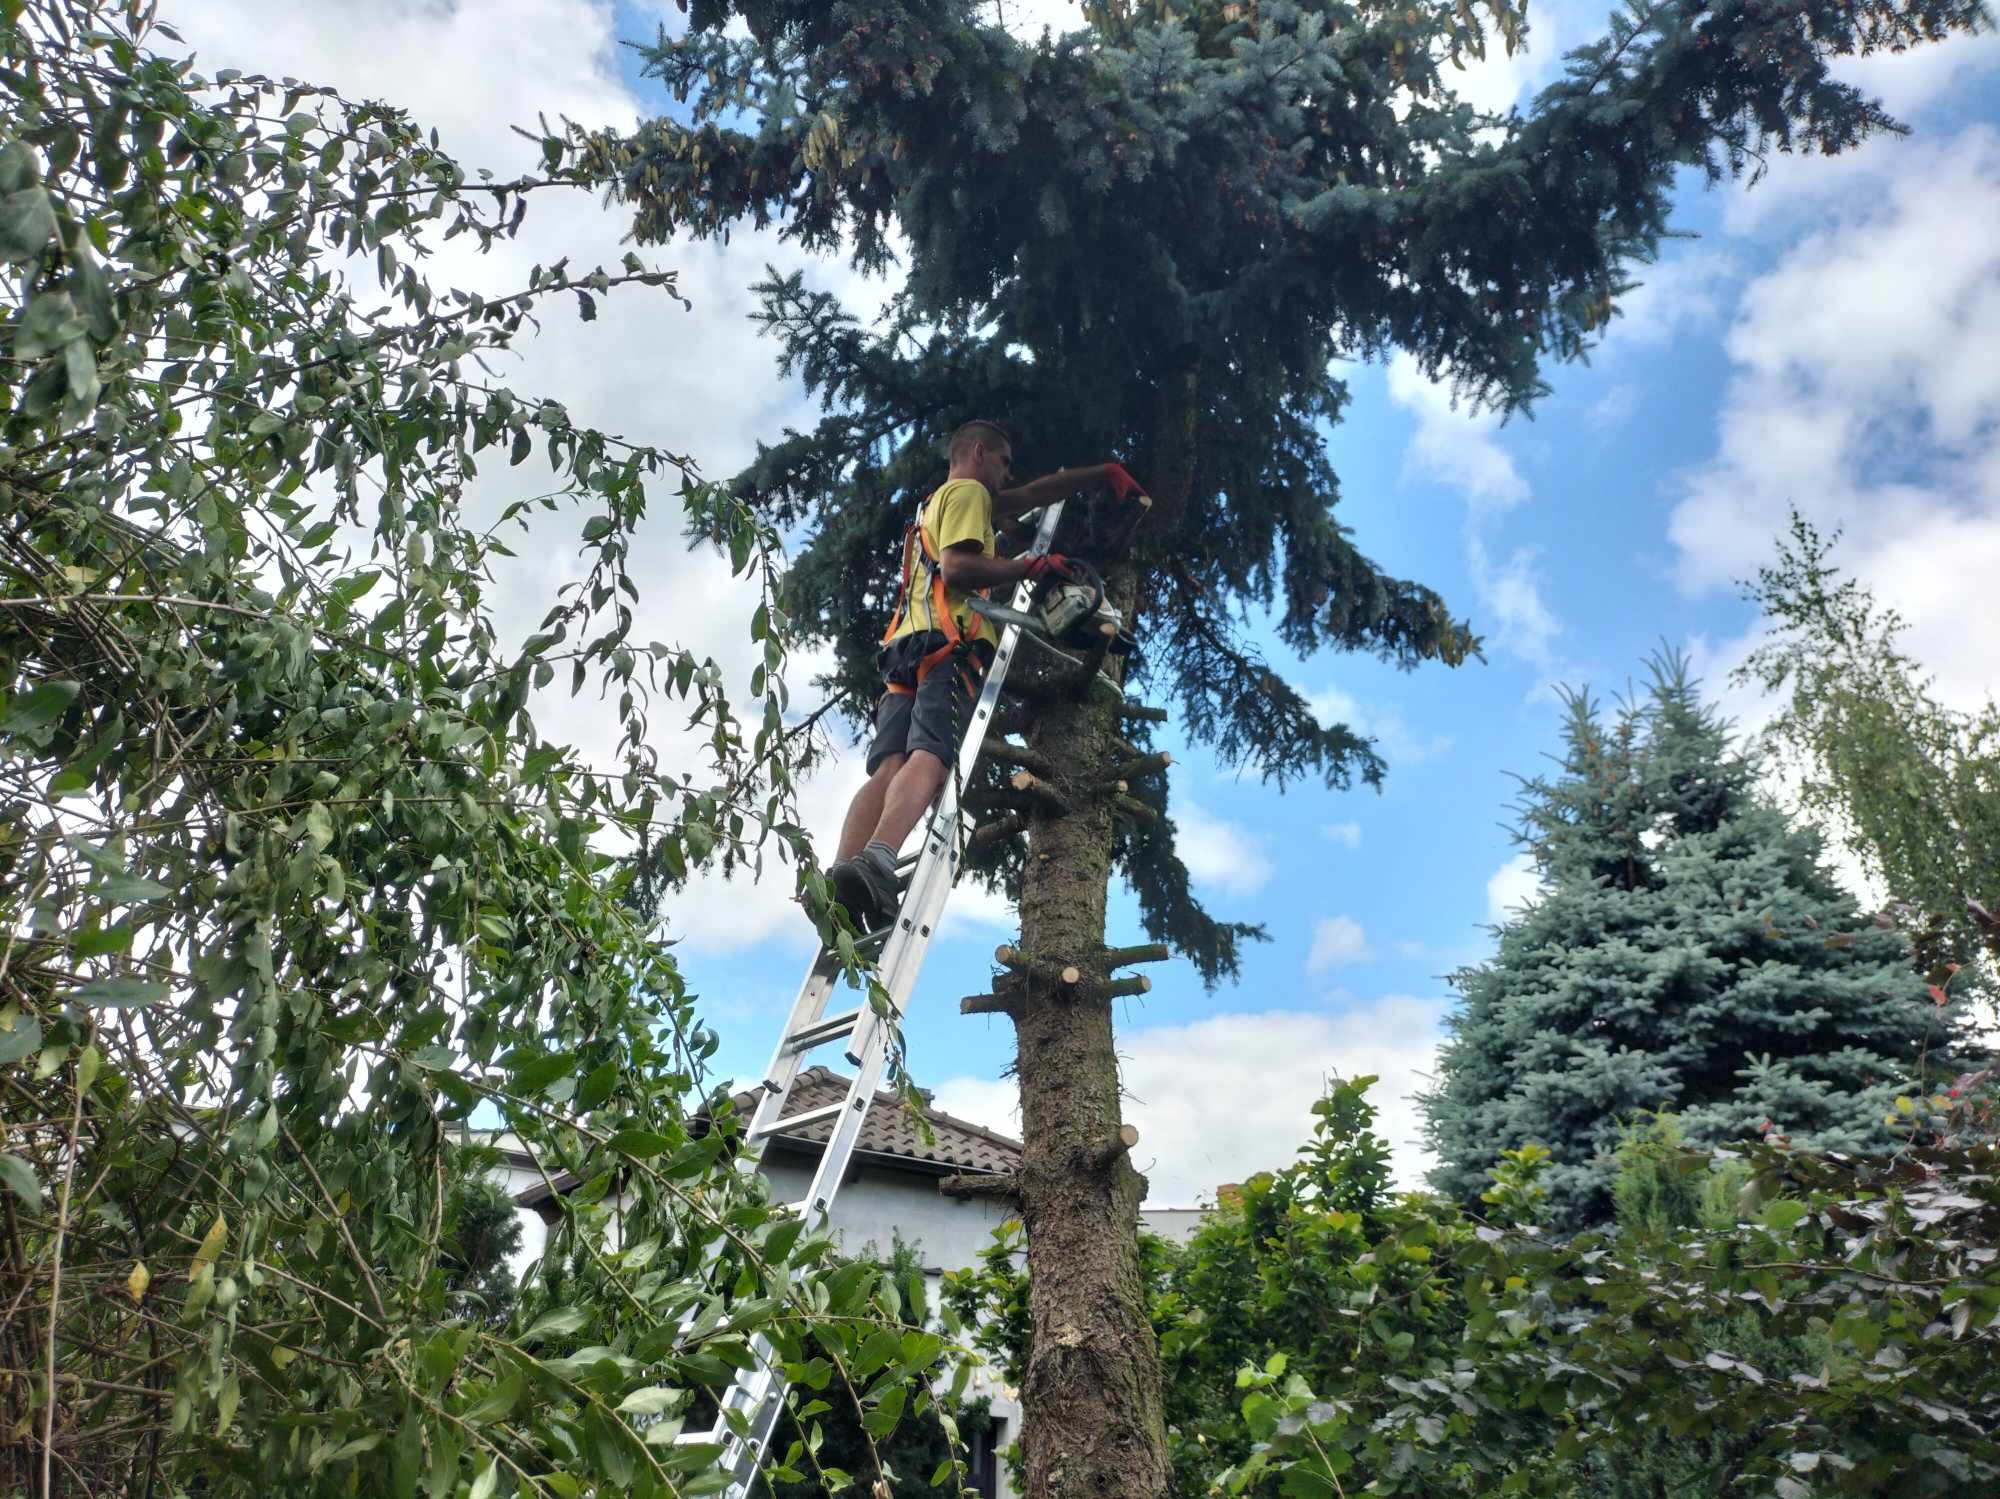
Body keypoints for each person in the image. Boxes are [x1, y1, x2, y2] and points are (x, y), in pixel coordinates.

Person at [826, 419, 1144, 925]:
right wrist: (1029, 568)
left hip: (904, 647)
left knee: (888, 767)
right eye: (1003, 462)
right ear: (978, 452)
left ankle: (841, 879)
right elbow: (956, 568)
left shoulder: (937, 503)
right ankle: (879, 858)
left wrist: (1101, 473)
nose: (1007, 474)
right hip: (949, 643)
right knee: (931, 757)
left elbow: (1035, 493)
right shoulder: (970, 492)